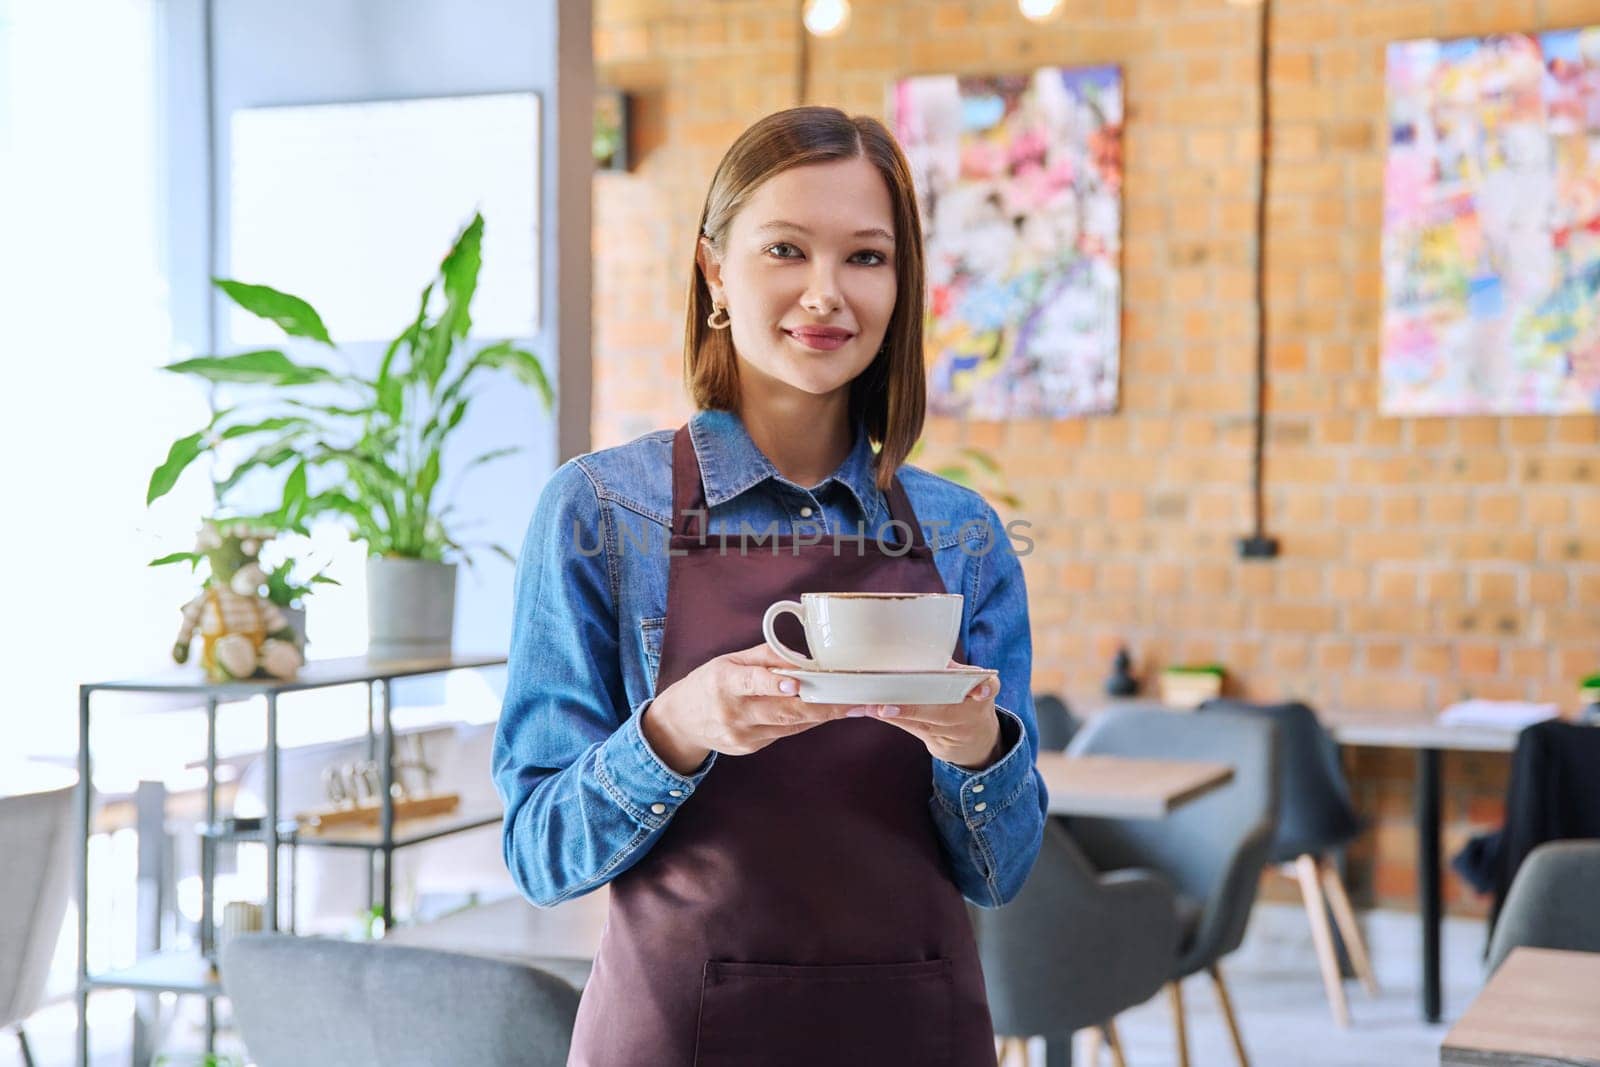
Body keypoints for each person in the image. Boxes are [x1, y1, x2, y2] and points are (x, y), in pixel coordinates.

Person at [493, 105, 1046, 1066]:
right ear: (715, 268)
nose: (826, 294)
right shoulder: (598, 513)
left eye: (866, 258)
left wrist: (978, 747)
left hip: (917, 1033)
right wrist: (675, 730)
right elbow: (541, 855)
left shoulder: (964, 533)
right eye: (786, 249)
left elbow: (1003, 874)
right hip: (677, 1037)